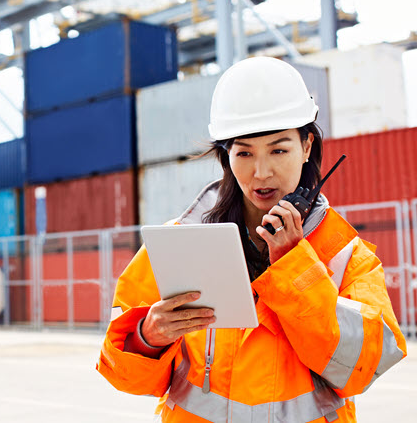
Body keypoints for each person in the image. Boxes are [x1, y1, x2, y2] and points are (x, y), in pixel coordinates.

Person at [97, 57, 406, 422]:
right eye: (244, 152)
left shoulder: (344, 256)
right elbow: (122, 373)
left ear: (306, 147)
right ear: (227, 156)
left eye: (279, 150)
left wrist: (295, 267)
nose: (261, 172)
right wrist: (147, 337)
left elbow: (366, 365)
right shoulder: (179, 242)